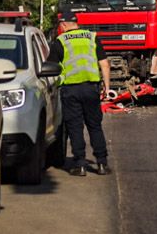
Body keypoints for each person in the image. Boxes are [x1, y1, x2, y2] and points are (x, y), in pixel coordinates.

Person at [48, 11, 112, 176]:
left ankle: (80, 164)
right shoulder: (92, 37)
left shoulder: (60, 41)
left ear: (63, 25)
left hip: (71, 90)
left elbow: (50, 68)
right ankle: (102, 164)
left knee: (75, 127)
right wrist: (107, 87)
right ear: (76, 23)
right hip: (91, 88)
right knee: (95, 126)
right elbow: (104, 64)